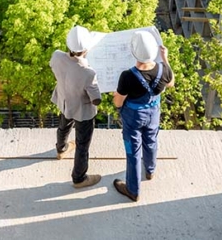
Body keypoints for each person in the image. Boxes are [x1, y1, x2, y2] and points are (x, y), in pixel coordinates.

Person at [113, 31, 174, 201]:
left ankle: (133, 190)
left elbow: (118, 103)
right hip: (153, 113)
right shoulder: (163, 70)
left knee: (133, 150)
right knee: (152, 140)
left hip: (133, 117)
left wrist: (115, 95)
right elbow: (171, 83)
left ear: (134, 52)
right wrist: (165, 59)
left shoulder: (127, 76)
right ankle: (150, 170)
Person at [49, 25, 102, 189]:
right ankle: (79, 178)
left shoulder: (57, 56)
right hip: (82, 111)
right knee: (82, 143)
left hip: (65, 101)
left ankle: (61, 149)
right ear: (86, 49)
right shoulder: (88, 72)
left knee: (63, 126)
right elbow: (96, 100)